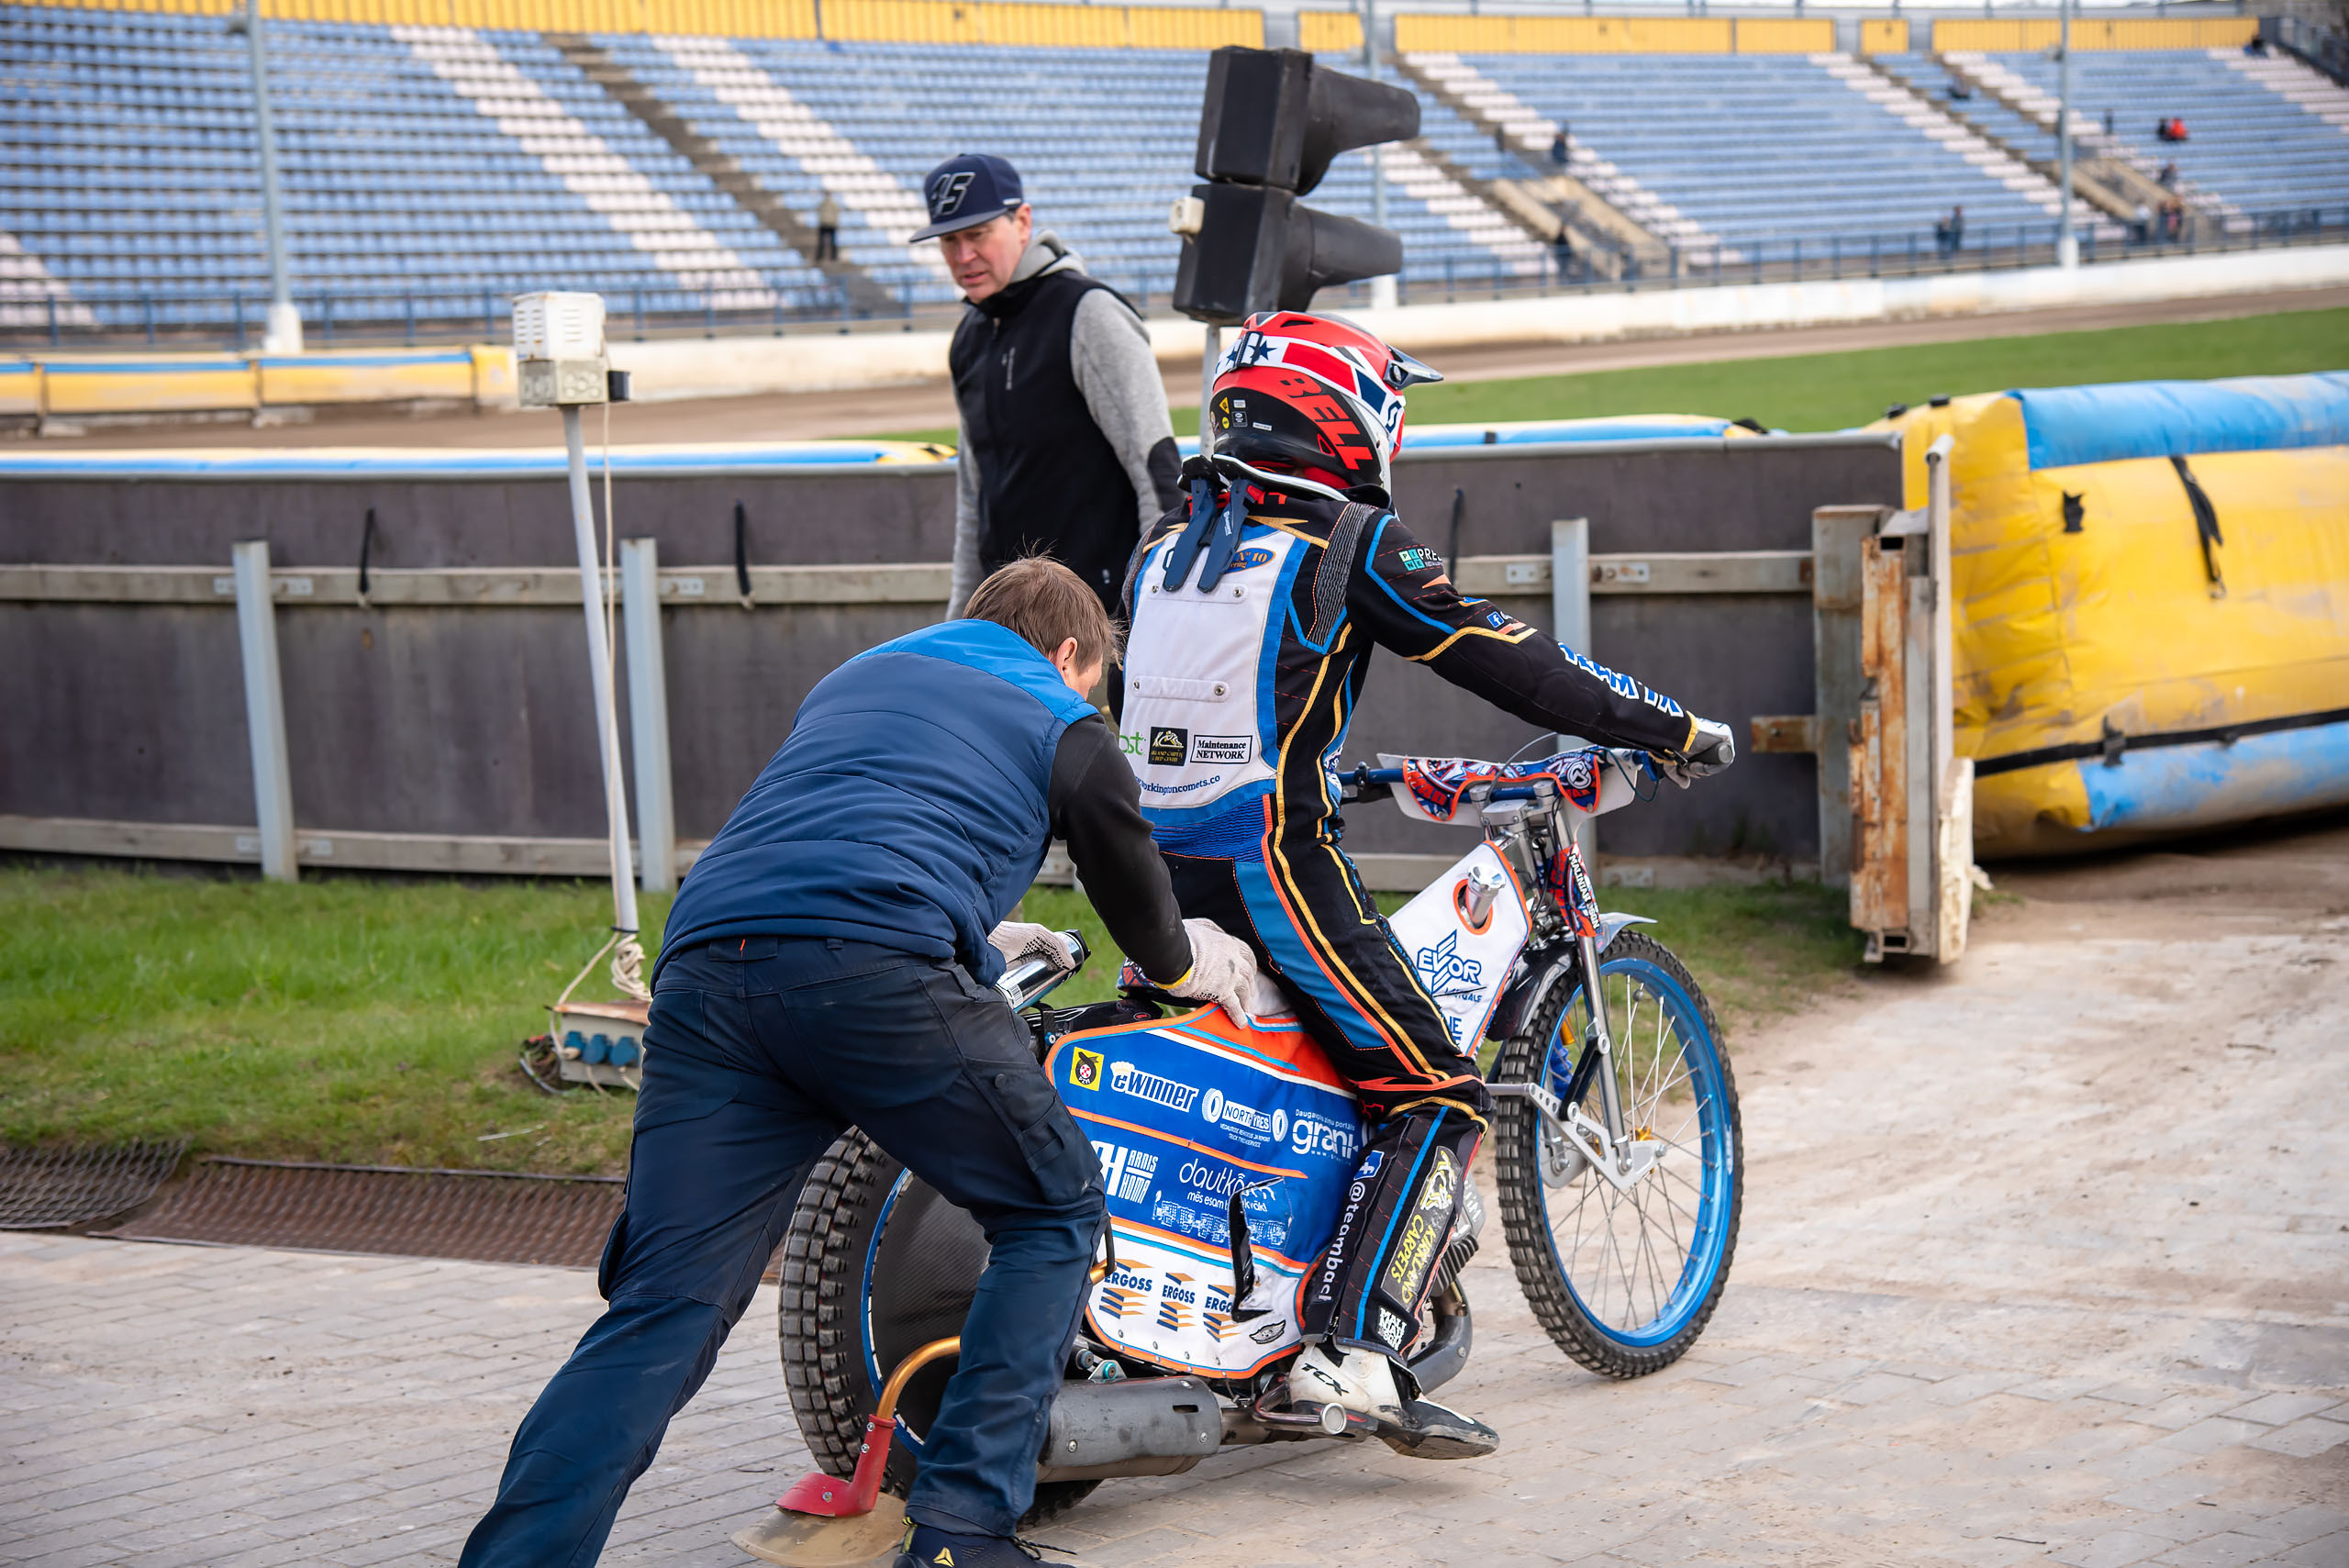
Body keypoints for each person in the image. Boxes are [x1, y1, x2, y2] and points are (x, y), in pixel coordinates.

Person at [455, 560, 1260, 1568]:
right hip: (873, 967)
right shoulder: (1067, 721)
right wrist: (1187, 968)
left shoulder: (858, 675)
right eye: (1089, 676)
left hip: (707, 970)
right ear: (1067, 654)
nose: (1083, 694)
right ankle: (962, 1530)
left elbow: (850, 826)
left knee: (666, 1301)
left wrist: (973, 925)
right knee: (1050, 1208)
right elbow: (1137, 900)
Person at [1114, 313, 1734, 1459]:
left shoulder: (1166, 540)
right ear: (1347, 410)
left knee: (1277, 1074)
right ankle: (1350, 1351)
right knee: (1434, 1087)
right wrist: (1671, 723)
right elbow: (1518, 664)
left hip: (1145, 864)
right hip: (1269, 864)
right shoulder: (1345, 541)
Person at [919, 151, 1183, 628]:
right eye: (949, 240)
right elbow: (972, 497)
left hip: (1097, 627)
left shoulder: (1089, 313)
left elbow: (1157, 471)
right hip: (1007, 628)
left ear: (1023, 221)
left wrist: (1155, 615)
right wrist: (957, 625)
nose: (963, 256)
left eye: (978, 235)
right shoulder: (970, 337)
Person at [814, 189, 841, 263]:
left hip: (829, 224)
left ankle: (832, 257)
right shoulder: (824, 204)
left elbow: (836, 214)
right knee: (822, 242)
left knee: (831, 241)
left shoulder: (828, 204)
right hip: (825, 224)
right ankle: (822, 256)